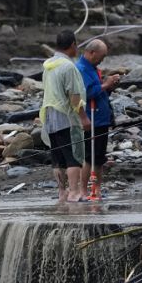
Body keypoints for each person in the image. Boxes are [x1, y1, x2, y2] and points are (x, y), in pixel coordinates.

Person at [40, 29, 90, 204]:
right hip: (66, 118)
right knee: (73, 157)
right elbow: (74, 96)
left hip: (50, 118)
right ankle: (75, 193)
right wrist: (83, 117)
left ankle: (62, 193)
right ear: (73, 45)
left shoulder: (48, 65)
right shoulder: (68, 66)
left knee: (58, 159)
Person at [76, 38, 120, 201]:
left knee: (99, 157)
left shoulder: (93, 68)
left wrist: (109, 86)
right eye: (101, 56)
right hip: (91, 118)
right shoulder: (80, 69)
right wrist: (105, 84)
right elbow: (85, 93)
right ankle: (83, 191)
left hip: (101, 118)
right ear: (91, 52)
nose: (102, 59)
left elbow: (99, 91)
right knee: (89, 156)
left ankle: (97, 189)